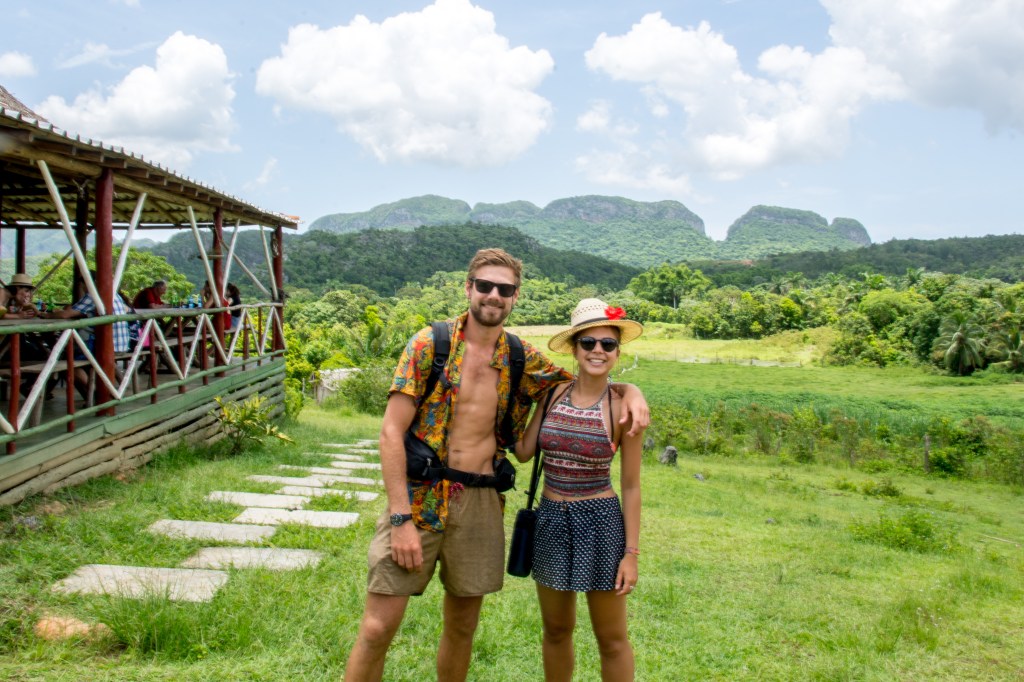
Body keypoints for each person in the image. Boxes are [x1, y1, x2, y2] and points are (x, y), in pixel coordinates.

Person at [344, 249, 649, 682]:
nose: (493, 295)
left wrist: (631, 390)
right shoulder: (430, 344)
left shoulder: (521, 357)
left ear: (515, 296)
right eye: (484, 285)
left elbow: (585, 378)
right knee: (377, 628)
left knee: (463, 626)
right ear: (468, 287)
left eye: (504, 289)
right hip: (420, 498)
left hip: (481, 501)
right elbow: (390, 433)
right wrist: (399, 517)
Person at [515, 298, 645, 681]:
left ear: (618, 352)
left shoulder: (624, 407)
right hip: (551, 520)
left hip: (602, 523)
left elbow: (633, 485)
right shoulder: (552, 395)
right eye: (588, 343)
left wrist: (632, 554)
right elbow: (524, 452)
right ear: (574, 349)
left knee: (611, 637)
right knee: (556, 631)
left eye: (608, 344)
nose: (598, 351)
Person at [44, 274, 131, 398]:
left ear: (88, 284)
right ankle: (94, 394)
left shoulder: (93, 296)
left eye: (83, 285)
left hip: (108, 347)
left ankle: (97, 393)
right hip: (122, 345)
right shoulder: (114, 295)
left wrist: (46, 315)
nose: (83, 289)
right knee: (73, 354)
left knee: (67, 364)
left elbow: (66, 315)